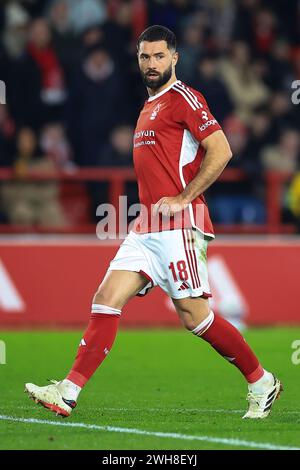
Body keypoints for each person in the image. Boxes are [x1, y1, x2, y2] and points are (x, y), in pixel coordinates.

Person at [25, 25, 282, 419]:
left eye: (159, 56)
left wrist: (183, 198)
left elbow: (222, 149)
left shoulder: (183, 98)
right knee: (106, 299)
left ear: (174, 58)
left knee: (194, 317)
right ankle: (68, 391)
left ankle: (261, 380)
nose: (151, 63)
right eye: (145, 56)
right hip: (146, 226)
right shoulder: (149, 106)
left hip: (179, 224)